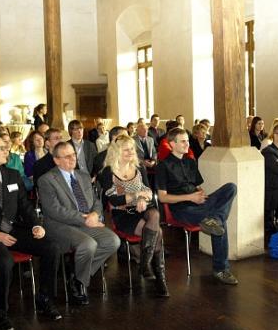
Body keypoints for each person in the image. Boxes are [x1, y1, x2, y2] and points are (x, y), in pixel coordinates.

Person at [0, 133, 63, 330]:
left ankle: (45, 299)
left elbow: (25, 206)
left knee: (52, 247)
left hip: (14, 230)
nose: (7, 151)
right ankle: (0, 310)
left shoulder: (12, 175)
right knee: (4, 260)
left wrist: (36, 224)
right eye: (2, 148)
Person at [38, 142, 120, 305]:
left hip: (86, 222)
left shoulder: (82, 175)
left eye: (73, 155)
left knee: (113, 241)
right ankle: (79, 283)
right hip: (59, 225)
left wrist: (96, 214)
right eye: (67, 156)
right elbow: (54, 210)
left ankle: (77, 276)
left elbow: (96, 201)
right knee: (88, 245)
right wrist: (85, 219)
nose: (72, 158)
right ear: (56, 160)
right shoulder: (46, 180)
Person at [156, 128, 238, 285]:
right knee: (220, 223)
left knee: (231, 187)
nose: (187, 144)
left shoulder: (190, 162)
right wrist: (190, 197)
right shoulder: (163, 166)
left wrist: (201, 195)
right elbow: (162, 197)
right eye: (183, 141)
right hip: (182, 209)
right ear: (172, 144)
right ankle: (221, 269)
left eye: (187, 140)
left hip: (199, 203)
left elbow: (198, 186)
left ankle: (213, 218)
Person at [98, 135, 169, 297]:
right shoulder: (107, 172)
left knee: (154, 214)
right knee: (158, 232)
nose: (130, 152)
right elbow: (114, 199)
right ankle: (158, 279)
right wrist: (137, 195)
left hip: (143, 210)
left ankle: (146, 266)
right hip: (123, 214)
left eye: (132, 148)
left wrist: (143, 198)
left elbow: (149, 191)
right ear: (116, 152)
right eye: (126, 149)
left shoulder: (139, 168)